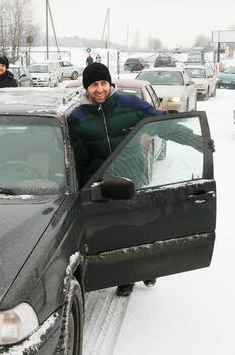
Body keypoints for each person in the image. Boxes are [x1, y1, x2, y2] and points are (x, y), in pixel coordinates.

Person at [67, 62, 163, 297]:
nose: (99, 89)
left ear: (110, 84)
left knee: (141, 224)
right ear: (86, 87)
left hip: (133, 176)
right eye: (93, 85)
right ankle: (126, 276)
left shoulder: (129, 103)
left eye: (103, 83)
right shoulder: (77, 117)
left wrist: (190, 135)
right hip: (104, 184)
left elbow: (160, 121)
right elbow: (78, 156)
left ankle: (148, 267)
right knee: (119, 230)